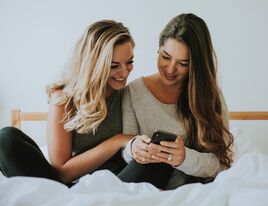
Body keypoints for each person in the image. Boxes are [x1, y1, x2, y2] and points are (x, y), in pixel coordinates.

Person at [0, 20, 135, 186]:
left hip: (120, 181)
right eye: (114, 65)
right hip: (73, 185)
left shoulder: (131, 94)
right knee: (5, 138)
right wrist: (117, 140)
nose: (124, 72)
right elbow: (63, 173)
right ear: (93, 64)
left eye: (129, 62)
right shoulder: (64, 100)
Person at [120, 13, 234, 190]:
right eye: (165, 57)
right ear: (158, 50)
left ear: (196, 65)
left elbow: (222, 163)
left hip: (191, 189)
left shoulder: (211, 97)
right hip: (145, 183)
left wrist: (183, 158)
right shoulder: (134, 91)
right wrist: (133, 147)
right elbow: (125, 152)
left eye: (183, 63)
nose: (171, 69)